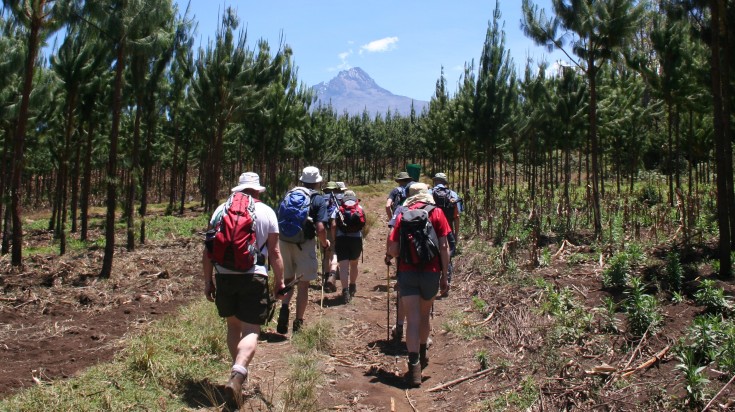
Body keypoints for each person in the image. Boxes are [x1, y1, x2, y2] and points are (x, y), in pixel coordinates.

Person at [202, 172, 285, 405]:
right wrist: (280, 282)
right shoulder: (267, 211)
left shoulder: (220, 210)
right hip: (253, 276)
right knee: (251, 330)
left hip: (225, 276)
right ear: (258, 190)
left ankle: (236, 372)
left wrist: (208, 281)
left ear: (238, 190)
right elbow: (275, 253)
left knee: (233, 325)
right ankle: (238, 374)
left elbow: (208, 251)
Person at [386, 182, 451, 387]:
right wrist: (444, 276)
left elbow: (393, 248)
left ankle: (413, 366)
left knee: (412, 320)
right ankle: (423, 355)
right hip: (431, 272)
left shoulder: (401, 214)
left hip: (407, 272)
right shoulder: (437, 213)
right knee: (424, 315)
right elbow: (444, 246)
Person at [276, 166, 331, 334]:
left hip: (284, 241)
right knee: (303, 285)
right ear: (317, 182)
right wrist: (324, 243)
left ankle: (284, 309)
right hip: (304, 244)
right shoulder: (318, 199)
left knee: (288, 278)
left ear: (302, 180)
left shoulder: (289, 194)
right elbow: (320, 228)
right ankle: (298, 322)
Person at [431, 172, 462, 296]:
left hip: (432, 230)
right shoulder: (453, 194)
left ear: (435, 181)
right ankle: (445, 283)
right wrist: (456, 233)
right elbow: (457, 217)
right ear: (445, 182)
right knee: (447, 256)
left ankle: (431, 284)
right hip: (448, 230)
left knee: (432, 256)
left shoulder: (429, 193)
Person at [331, 189, 364, 303]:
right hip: (356, 239)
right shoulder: (359, 208)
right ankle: (352, 285)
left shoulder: (338, 208)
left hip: (341, 239)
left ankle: (345, 291)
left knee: (344, 266)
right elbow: (363, 223)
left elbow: (334, 225)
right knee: (354, 264)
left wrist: (334, 239)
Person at [322, 181, 343, 293]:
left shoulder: (322, 199)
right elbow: (335, 223)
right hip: (336, 230)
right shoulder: (339, 199)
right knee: (334, 253)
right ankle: (332, 276)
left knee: (326, 253)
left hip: (323, 230)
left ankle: (326, 280)